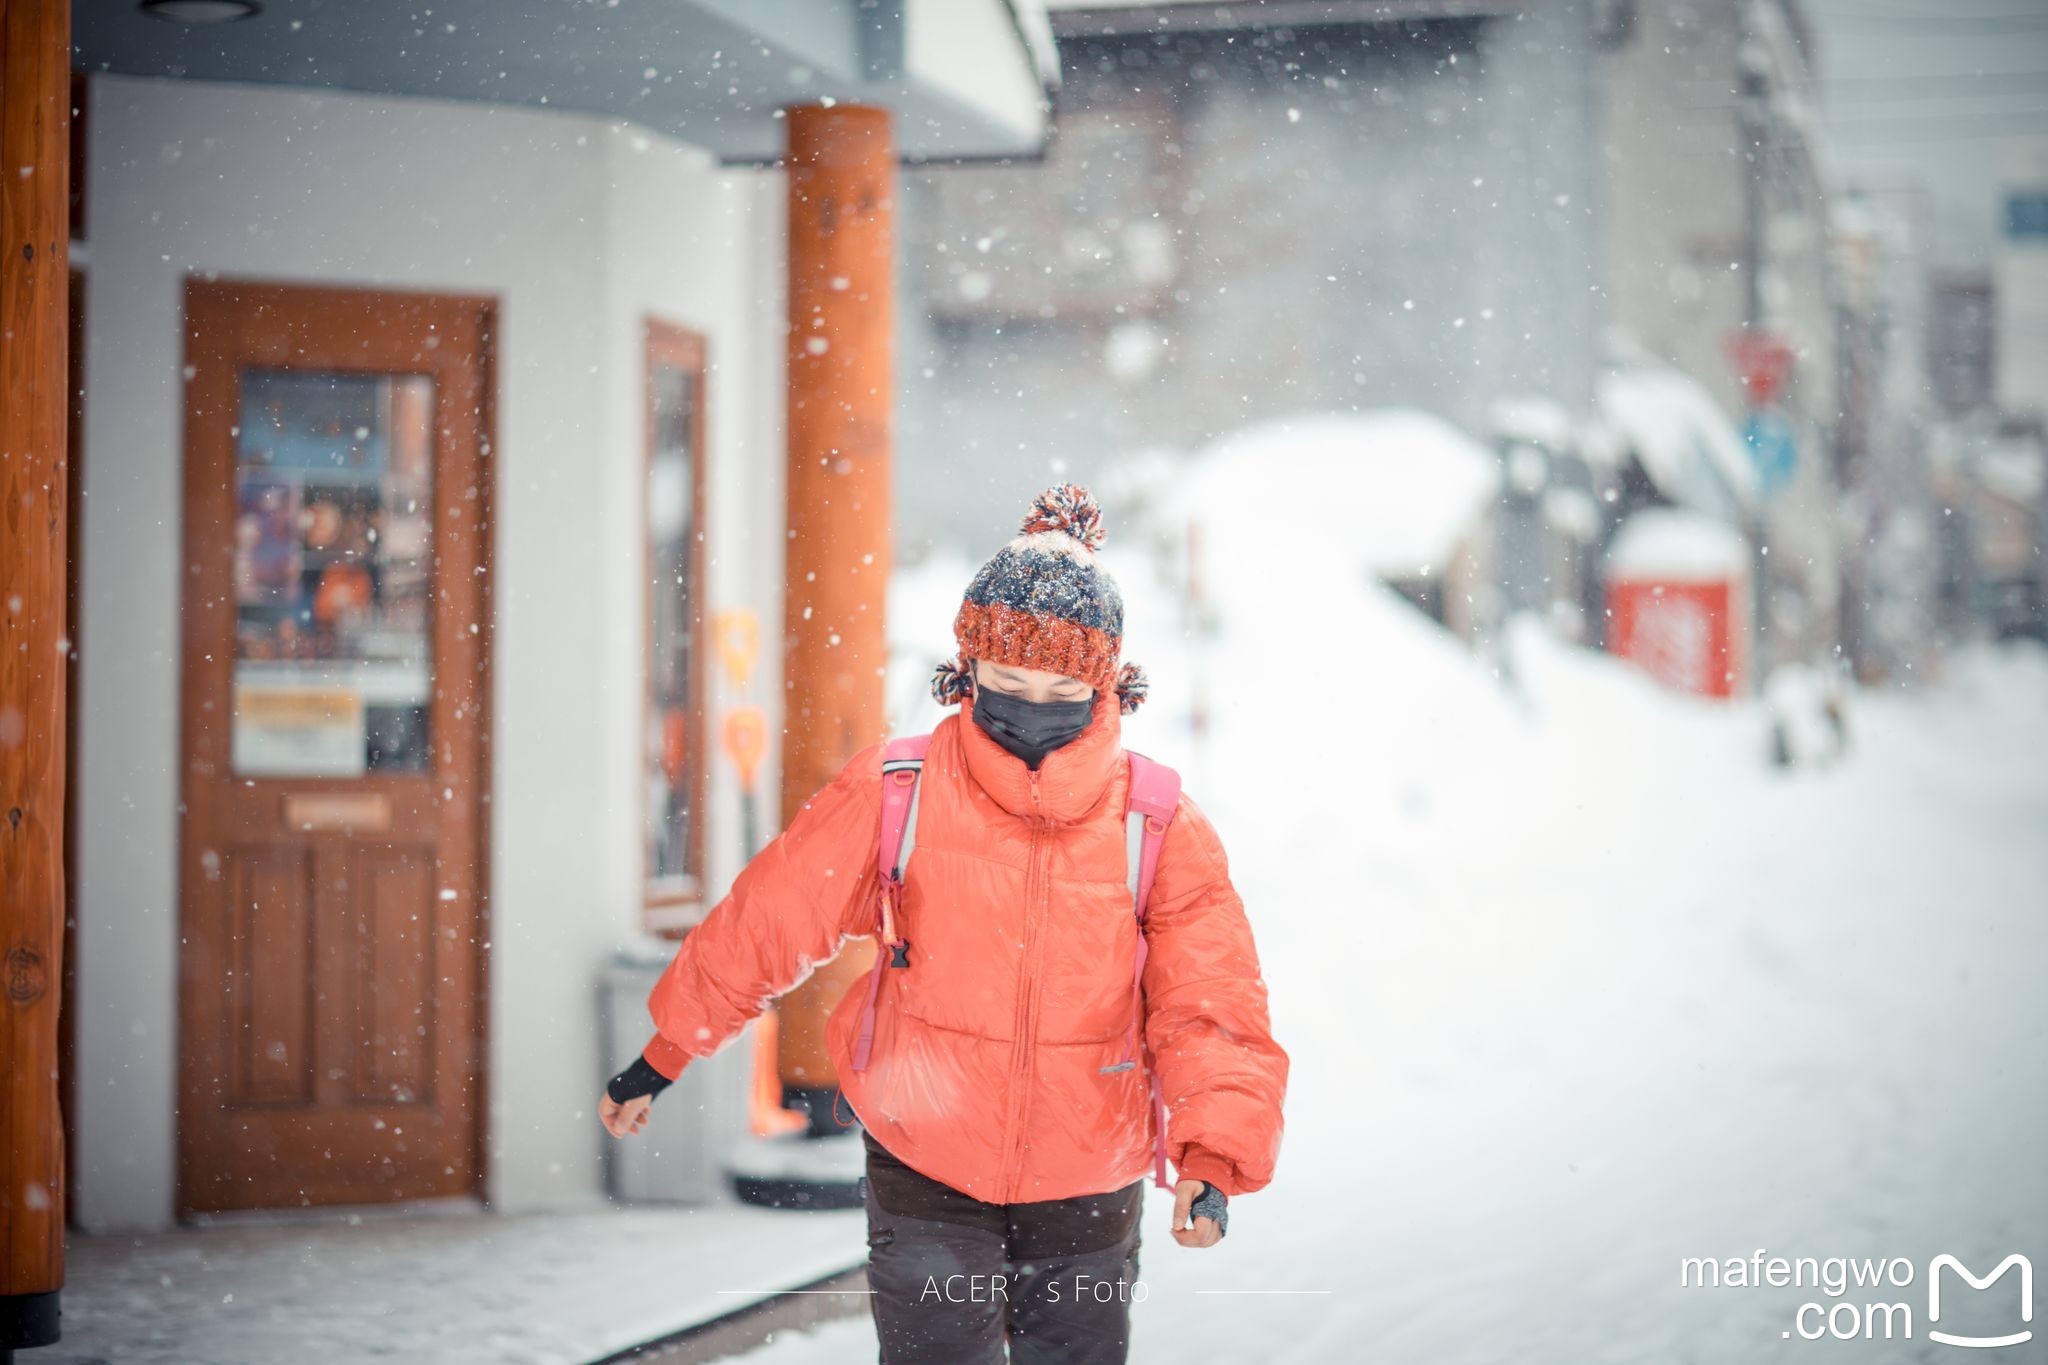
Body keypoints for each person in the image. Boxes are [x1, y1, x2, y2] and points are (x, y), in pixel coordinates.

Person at [600, 484, 1288, 1364]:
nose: (1031, 705)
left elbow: (1212, 1001)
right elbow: (768, 921)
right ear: (968, 670)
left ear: (1105, 682)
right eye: (1006, 681)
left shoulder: (1153, 821)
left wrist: (1213, 1156)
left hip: (1087, 1174)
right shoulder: (901, 790)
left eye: (1061, 685)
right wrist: (663, 1055)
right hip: (926, 1158)